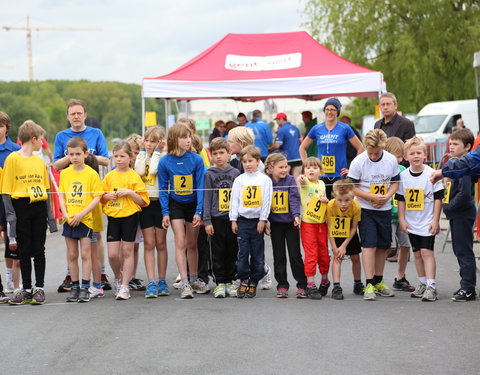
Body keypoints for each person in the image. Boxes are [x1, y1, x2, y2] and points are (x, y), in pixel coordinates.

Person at [54, 99, 111, 293]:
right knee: (72, 237)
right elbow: (55, 165)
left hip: (91, 188)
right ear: (68, 116)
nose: (76, 117)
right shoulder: (62, 136)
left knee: (96, 234)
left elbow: (105, 159)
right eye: (72, 114)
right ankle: (72, 274)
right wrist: (71, 157)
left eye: (79, 113)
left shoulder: (96, 134)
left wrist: (86, 157)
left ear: (85, 115)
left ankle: (100, 273)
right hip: (71, 192)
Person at [347, 129, 400, 301]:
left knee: (383, 246)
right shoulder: (358, 161)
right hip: (365, 208)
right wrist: (371, 197)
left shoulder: (390, 160)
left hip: (384, 208)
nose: (375, 156)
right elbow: (352, 188)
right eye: (371, 153)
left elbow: (395, 182)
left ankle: (379, 280)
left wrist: (387, 196)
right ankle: (369, 282)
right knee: (369, 245)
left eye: (377, 153)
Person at [2, 120, 50, 305]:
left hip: (38, 206)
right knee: (24, 249)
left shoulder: (39, 161)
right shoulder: (13, 159)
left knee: (39, 248)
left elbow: (45, 190)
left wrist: (50, 217)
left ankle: (39, 287)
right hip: (20, 206)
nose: (42, 143)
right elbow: (6, 191)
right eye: (41, 140)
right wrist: (10, 216)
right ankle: (27, 288)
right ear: (33, 139)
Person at [158, 124, 208, 299]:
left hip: (193, 204)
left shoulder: (196, 159)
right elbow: (163, 188)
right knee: (180, 242)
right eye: (184, 137)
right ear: (174, 139)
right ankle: (185, 281)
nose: (188, 140)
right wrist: (165, 212)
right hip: (176, 205)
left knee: (191, 243)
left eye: (189, 137)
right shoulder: (164, 161)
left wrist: (199, 211)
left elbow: (201, 186)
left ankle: (194, 279)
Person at [396, 136, 444, 302]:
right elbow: (401, 199)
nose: (416, 156)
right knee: (416, 253)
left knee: (426, 252)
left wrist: (436, 220)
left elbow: (439, 197)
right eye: (412, 153)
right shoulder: (403, 176)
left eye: (419, 153)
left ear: (425, 155)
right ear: (405, 156)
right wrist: (402, 219)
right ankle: (422, 283)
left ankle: (431, 286)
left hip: (427, 220)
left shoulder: (432, 174)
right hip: (411, 221)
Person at [101, 141, 150, 300]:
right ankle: (118, 277)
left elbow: (143, 201)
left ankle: (124, 286)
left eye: (122, 156)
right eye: (116, 156)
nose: (119, 159)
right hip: (113, 216)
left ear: (130, 157)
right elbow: (101, 196)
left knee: (127, 251)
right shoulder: (109, 176)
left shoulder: (134, 176)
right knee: (113, 254)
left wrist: (129, 192)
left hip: (130, 216)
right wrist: (107, 196)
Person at [58, 137, 103, 303]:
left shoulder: (91, 174)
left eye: (78, 154)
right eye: (71, 154)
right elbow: (61, 195)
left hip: (85, 219)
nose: (75, 157)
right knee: (71, 254)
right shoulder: (65, 173)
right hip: (69, 219)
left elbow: (97, 197)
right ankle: (75, 286)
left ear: (85, 154)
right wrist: (65, 213)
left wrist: (81, 214)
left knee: (85, 254)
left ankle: (85, 287)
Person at [226, 126, 271, 288]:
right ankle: (242, 276)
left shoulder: (259, 170)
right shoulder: (233, 161)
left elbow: (265, 197)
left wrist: (264, 220)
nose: (228, 144)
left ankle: (263, 272)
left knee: (257, 251)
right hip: (240, 216)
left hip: (257, 216)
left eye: (230, 141)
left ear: (241, 143)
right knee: (242, 250)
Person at [299, 98, 363, 198]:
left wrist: (352, 169)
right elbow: (302, 148)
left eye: (333, 109)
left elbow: (360, 148)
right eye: (327, 109)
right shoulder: (317, 128)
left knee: (341, 204)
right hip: (321, 175)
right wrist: (306, 168)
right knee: (322, 206)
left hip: (340, 174)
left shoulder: (345, 128)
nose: (329, 112)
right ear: (324, 111)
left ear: (338, 112)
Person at [265, 153, 307, 298]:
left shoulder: (290, 180)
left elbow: (294, 199)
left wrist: (296, 215)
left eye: (286, 167)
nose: (284, 170)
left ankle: (302, 284)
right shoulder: (267, 182)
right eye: (280, 167)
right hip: (276, 224)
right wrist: (264, 221)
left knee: (295, 254)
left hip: (290, 224)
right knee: (279, 255)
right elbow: (264, 203)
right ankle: (282, 285)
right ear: (271, 167)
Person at [442, 129, 477, 301]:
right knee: (458, 249)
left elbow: (464, 194)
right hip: (456, 213)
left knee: (464, 251)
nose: (452, 147)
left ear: (468, 147)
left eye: (456, 144)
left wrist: (449, 207)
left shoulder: (464, 166)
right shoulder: (455, 162)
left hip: (462, 213)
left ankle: (468, 287)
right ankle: (466, 285)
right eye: (450, 143)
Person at [203, 137, 240, 298]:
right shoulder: (209, 174)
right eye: (215, 153)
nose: (218, 156)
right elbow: (207, 198)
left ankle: (230, 281)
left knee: (232, 250)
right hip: (216, 218)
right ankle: (219, 282)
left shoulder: (236, 173)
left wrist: (237, 218)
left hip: (232, 218)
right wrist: (207, 220)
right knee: (217, 251)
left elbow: (239, 197)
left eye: (222, 153)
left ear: (229, 153)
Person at [135, 126, 170, 298]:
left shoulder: (163, 157)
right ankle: (151, 281)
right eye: (147, 140)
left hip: (160, 203)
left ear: (161, 143)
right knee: (149, 243)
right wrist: (143, 151)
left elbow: (155, 169)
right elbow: (140, 171)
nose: (149, 144)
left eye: (153, 141)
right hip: (145, 204)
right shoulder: (142, 156)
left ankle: (162, 280)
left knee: (161, 243)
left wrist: (157, 152)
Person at [384, 137, 414, 292]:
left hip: (403, 215)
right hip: (387, 214)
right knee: (386, 247)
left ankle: (400, 277)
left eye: (399, 157)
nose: (396, 160)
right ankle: (377, 277)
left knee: (405, 246)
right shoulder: (383, 170)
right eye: (393, 156)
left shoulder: (403, 171)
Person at [297, 157, 330, 300]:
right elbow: (302, 181)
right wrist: (301, 178)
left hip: (321, 223)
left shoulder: (322, 183)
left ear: (321, 172)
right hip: (308, 224)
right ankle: (310, 284)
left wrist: (326, 201)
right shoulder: (305, 182)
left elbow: (324, 200)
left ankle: (325, 279)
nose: (311, 170)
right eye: (308, 167)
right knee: (311, 254)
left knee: (324, 253)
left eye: (315, 168)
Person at [326, 179, 363, 300]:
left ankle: (357, 283)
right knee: (337, 257)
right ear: (334, 197)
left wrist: (344, 245)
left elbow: (354, 228)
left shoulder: (356, 207)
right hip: (335, 233)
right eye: (340, 200)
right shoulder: (330, 206)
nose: (343, 204)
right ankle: (336, 286)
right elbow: (329, 227)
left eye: (347, 200)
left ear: (352, 197)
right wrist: (335, 248)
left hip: (350, 234)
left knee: (356, 257)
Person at [0, 111, 21, 297]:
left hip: (8, 198)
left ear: (7, 128)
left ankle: (9, 279)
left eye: (1, 126)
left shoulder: (15, 150)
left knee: (9, 238)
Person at [269, 112, 302, 178]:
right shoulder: (295, 128)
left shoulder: (282, 130)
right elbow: (300, 141)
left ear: (281, 119)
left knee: (285, 179)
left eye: (277, 120)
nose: (276, 122)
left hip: (287, 158)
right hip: (298, 157)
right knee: (296, 179)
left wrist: (269, 149)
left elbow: (277, 145)